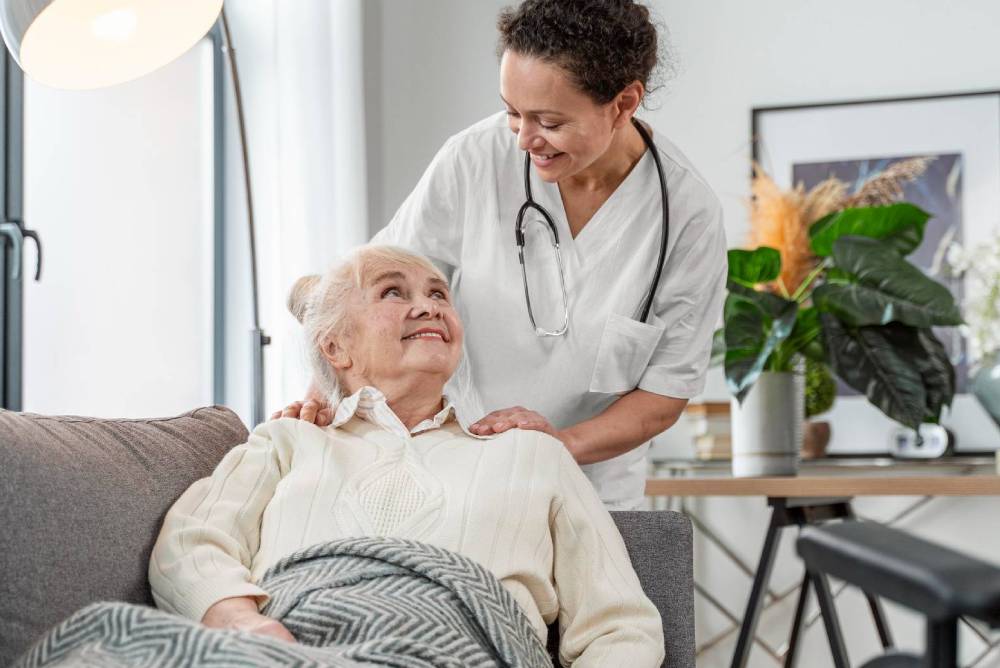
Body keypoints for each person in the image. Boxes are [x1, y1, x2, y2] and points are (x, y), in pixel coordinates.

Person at [278, 0, 727, 511]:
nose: (524, 139)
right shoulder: (475, 158)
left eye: (550, 122)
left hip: (587, 488)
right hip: (448, 466)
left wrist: (556, 445)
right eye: (513, 112)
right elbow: (373, 286)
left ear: (623, 104)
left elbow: (663, 398)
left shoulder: (686, 218)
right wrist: (323, 393)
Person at [150, 246, 665, 665]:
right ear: (335, 348)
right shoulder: (287, 440)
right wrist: (245, 623)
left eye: (438, 294)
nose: (430, 306)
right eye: (393, 292)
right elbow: (191, 543)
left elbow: (621, 625)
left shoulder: (531, 453)